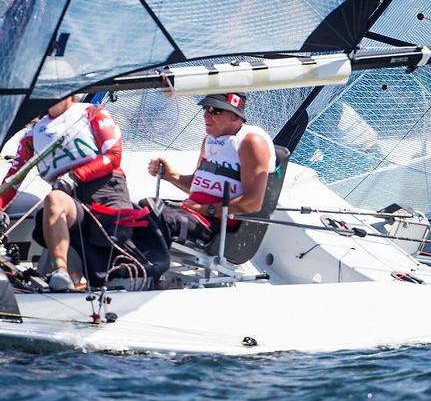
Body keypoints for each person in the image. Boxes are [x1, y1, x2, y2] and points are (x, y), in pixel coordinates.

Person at [1, 94, 132, 291]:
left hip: (106, 194)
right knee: (53, 200)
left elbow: (113, 155)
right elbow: (13, 180)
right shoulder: (32, 135)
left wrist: (75, 176)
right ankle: (62, 276)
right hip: (68, 199)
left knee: (110, 251)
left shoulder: (92, 112)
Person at [148, 93, 275, 245]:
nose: (206, 115)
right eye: (205, 108)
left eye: (215, 110)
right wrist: (170, 175)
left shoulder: (251, 142)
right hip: (192, 212)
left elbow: (253, 202)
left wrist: (206, 209)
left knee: (158, 219)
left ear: (235, 116)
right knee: (144, 207)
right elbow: (198, 187)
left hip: (214, 224)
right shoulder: (209, 141)